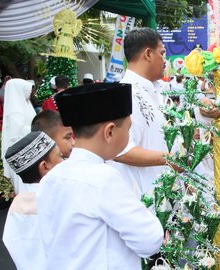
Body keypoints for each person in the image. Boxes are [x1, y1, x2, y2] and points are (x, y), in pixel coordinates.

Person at [37, 83, 164, 269]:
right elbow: (150, 240)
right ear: (110, 132)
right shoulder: (103, 178)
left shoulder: (52, 177)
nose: (129, 135)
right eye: (128, 129)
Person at [107, 28, 174, 195]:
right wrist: (171, 159)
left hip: (163, 193)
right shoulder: (125, 94)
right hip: (142, 196)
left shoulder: (158, 89)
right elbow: (120, 151)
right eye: (162, 53)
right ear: (148, 54)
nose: (165, 60)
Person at [2, 131, 63, 270]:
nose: (64, 162)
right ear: (44, 167)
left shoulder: (17, 204)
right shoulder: (57, 199)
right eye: (60, 157)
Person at [1, 79, 37, 194]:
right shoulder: (14, 110)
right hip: (19, 152)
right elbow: (17, 131)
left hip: (30, 146)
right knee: (22, 185)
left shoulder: (26, 103)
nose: (31, 92)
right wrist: (36, 129)